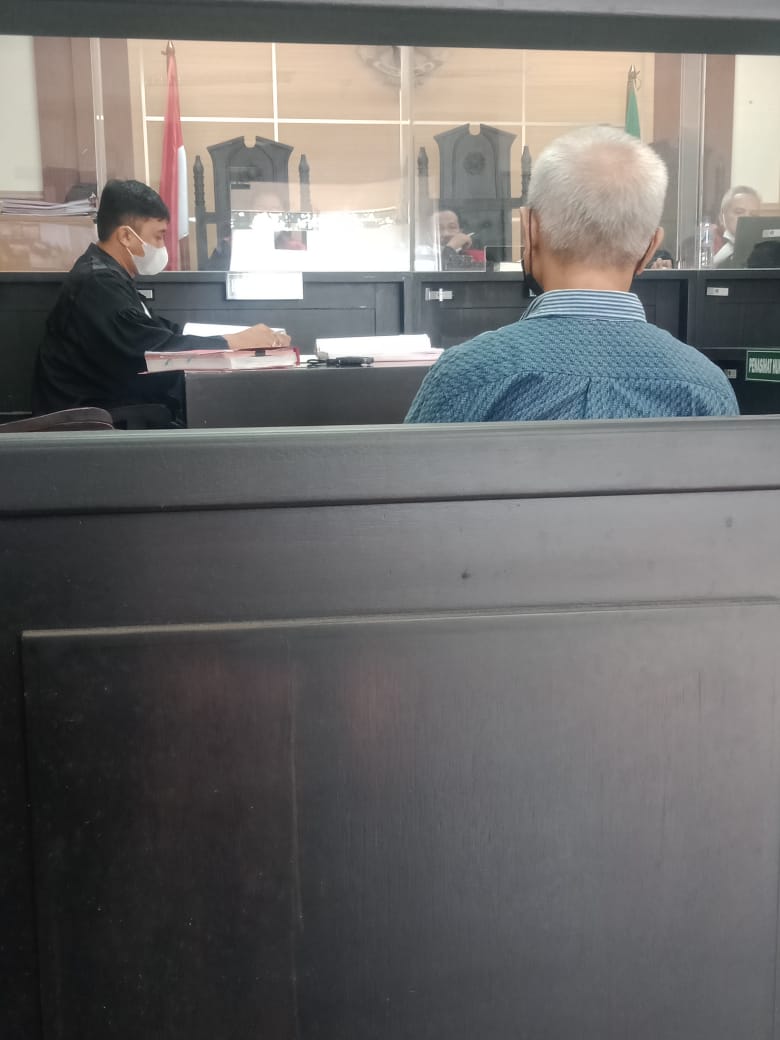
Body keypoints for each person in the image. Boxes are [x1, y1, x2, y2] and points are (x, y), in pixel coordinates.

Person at [406, 126, 738, 423]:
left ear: (530, 230)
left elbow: (405, 471)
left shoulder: (465, 377)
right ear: (650, 247)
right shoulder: (708, 389)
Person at [33, 179, 290, 418]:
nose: (161, 246)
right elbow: (152, 351)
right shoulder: (98, 284)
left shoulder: (111, 276)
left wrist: (240, 339)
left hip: (115, 410)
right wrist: (233, 343)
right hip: (92, 422)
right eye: (158, 236)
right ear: (126, 236)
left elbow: (161, 332)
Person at [712, 185, 761, 267]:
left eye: (753, 214)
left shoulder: (767, 247)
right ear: (721, 218)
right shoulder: (706, 244)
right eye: (739, 212)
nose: (747, 218)